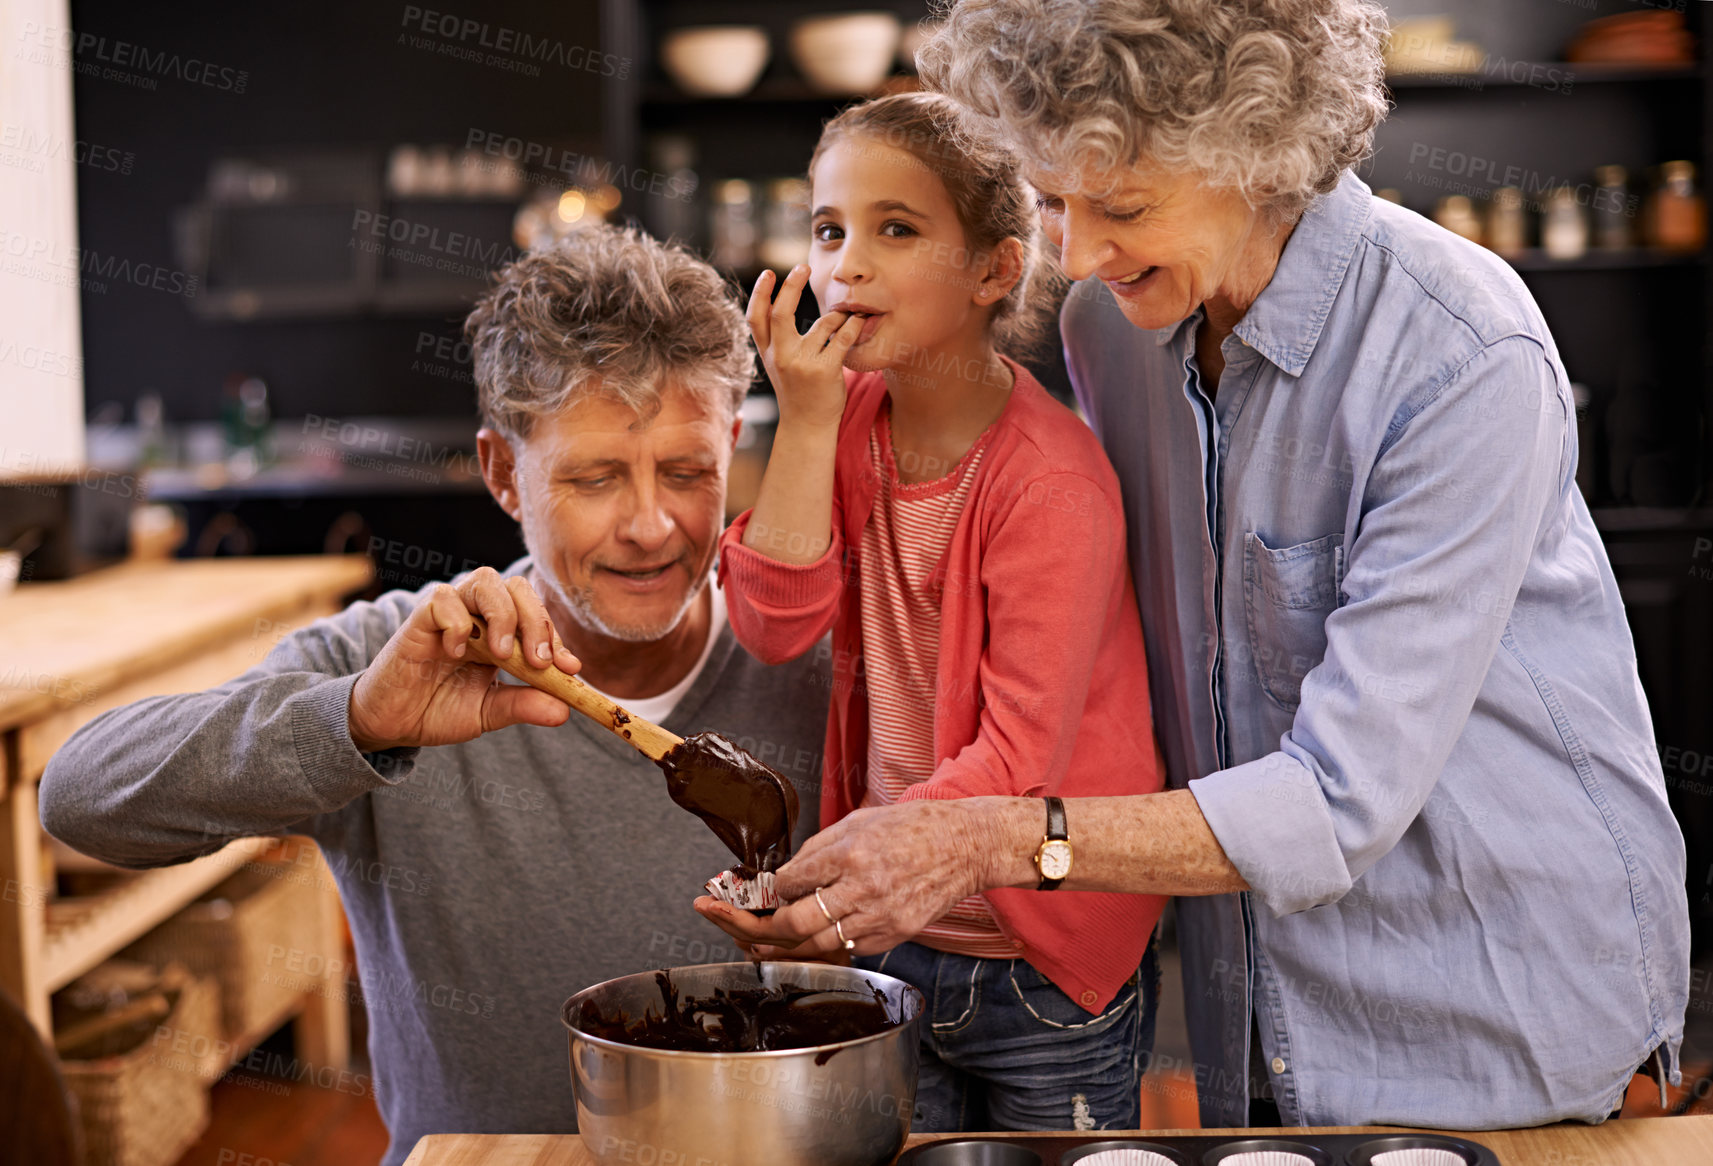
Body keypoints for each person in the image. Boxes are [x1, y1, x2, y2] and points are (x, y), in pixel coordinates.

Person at [702, 0, 1692, 1132]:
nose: (1076, 252)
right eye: (1054, 200)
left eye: (1121, 205)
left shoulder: (1463, 352)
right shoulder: (1108, 327)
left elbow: (1335, 796)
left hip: (1489, 993)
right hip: (1248, 1001)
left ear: (1261, 157)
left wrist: (986, 833)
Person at [38, 226, 829, 1166]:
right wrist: (358, 722)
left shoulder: (823, 666)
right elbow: (79, 798)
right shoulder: (399, 661)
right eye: (594, 477)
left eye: (689, 471)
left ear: (733, 446)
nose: (653, 526)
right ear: (502, 474)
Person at [698, 92, 1167, 1133]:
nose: (844, 266)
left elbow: (1017, 761)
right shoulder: (847, 421)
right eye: (829, 230)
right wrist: (807, 420)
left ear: (996, 269)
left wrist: (829, 878)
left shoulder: (1050, 483)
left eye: (895, 230)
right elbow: (773, 625)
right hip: (898, 938)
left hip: (1042, 962)